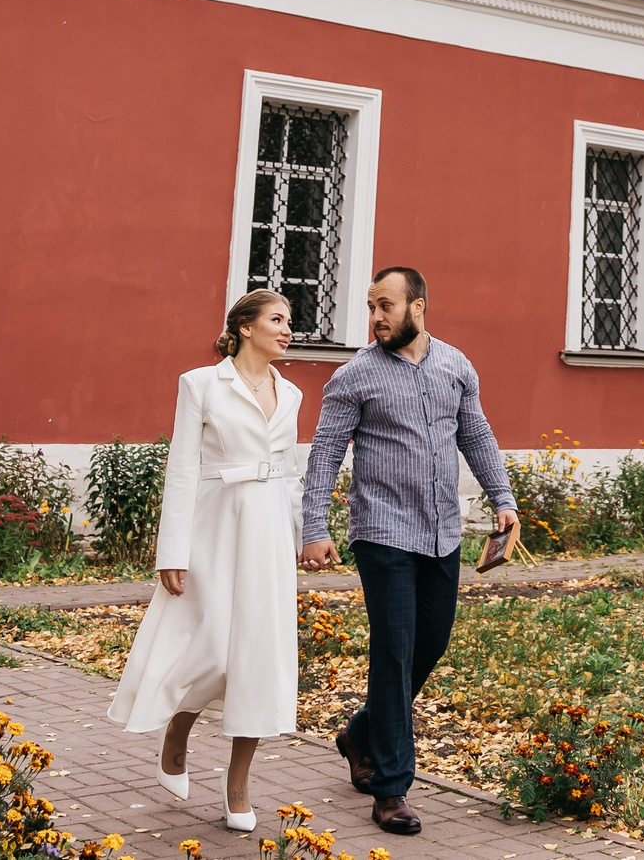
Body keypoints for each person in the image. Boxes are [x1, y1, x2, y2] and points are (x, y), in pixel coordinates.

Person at [298, 267, 519, 837]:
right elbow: (323, 456)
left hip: (443, 531)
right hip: (382, 533)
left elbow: (476, 434)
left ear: (418, 307)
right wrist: (313, 528)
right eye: (371, 306)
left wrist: (504, 498)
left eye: (386, 306)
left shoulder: (456, 365)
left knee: (431, 644)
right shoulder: (353, 377)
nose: (375, 317)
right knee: (394, 652)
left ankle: (360, 734)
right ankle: (391, 788)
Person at [107, 291, 302, 834]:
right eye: (278, 320)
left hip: (267, 534)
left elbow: (288, 473)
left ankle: (237, 782)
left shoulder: (292, 395)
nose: (289, 330)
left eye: (290, 322)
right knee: (212, 646)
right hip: (214, 526)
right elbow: (183, 469)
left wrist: (300, 537)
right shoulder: (199, 384)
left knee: (261, 656)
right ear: (244, 327)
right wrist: (172, 550)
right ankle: (178, 729)